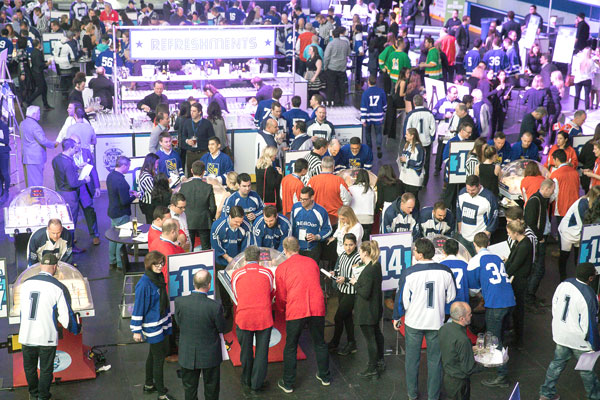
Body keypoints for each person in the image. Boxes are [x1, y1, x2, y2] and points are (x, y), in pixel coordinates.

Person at [393, 238, 457, 399]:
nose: (413, 252)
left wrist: (396, 317)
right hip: (436, 322)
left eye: (414, 250)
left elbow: (401, 300)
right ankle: (433, 397)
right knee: (435, 361)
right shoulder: (445, 271)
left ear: (420, 255)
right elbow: (451, 297)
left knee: (412, 360)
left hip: (414, 322)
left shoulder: (409, 272)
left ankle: (412, 395)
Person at [18, 252, 81, 400]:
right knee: (46, 370)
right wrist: (76, 329)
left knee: (30, 368)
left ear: (40, 265)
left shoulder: (25, 283)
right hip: (46, 336)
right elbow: (66, 317)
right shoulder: (58, 287)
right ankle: (43, 396)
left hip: (26, 334)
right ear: (55, 267)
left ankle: (33, 395)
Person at [276, 237, 330, 393]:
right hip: (316, 307)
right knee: (320, 342)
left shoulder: (282, 268)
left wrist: (280, 309)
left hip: (296, 309)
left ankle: (288, 383)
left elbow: (281, 295)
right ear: (298, 247)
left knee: (291, 346)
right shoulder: (312, 262)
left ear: (284, 250)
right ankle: (325, 376)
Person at [539, 263, 600, 400]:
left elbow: (555, 304)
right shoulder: (590, 296)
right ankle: (594, 397)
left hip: (561, 335)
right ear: (590, 278)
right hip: (580, 342)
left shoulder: (564, 283)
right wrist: (595, 346)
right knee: (586, 371)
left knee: (556, 364)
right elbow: (589, 325)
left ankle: (546, 394)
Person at [467, 233, 515, 388]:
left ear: (474, 244)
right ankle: (494, 362)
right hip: (509, 300)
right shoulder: (495, 257)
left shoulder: (475, 260)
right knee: (499, 335)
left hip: (495, 303)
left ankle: (502, 376)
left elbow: (473, 289)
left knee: (494, 340)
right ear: (488, 243)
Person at [175, 269, 225, 400]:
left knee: (189, 390)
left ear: (193, 283)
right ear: (209, 285)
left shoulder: (180, 302)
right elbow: (222, 328)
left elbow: (178, 322)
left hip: (187, 354)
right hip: (210, 355)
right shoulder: (215, 306)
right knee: (212, 389)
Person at [130, 251, 174, 400]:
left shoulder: (158, 277)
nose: (159, 266)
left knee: (153, 355)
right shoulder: (144, 284)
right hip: (152, 325)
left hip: (160, 320)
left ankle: (149, 384)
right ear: (149, 264)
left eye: (161, 263)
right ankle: (161, 393)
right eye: (156, 263)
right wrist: (136, 330)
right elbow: (138, 307)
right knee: (159, 358)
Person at [231, 246, 274, 395]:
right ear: (259, 258)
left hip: (244, 318)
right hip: (264, 317)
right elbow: (270, 292)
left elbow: (236, 296)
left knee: (246, 351)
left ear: (244, 258)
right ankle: (257, 383)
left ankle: (246, 380)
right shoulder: (267, 273)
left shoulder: (236, 274)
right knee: (262, 352)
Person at [51, 138, 90, 253]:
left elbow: (63, 173)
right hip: (70, 195)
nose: (76, 150)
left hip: (60, 193)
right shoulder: (68, 163)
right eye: (75, 148)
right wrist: (85, 180)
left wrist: (77, 167)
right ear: (71, 148)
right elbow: (73, 183)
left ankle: (66, 243)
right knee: (71, 222)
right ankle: (71, 247)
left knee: (63, 220)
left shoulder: (56, 159)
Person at [210, 205, 250, 317]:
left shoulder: (245, 227)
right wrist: (227, 258)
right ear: (229, 217)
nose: (238, 224)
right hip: (222, 261)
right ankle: (227, 308)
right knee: (223, 287)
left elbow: (246, 245)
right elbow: (216, 245)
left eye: (240, 222)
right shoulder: (218, 226)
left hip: (238, 261)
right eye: (236, 222)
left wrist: (239, 259)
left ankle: (241, 307)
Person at [439, 301, 482, 400]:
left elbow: (452, 349)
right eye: (469, 314)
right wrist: (487, 364)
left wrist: (469, 349)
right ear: (462, 318)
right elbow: (469, 368)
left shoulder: (444, 328)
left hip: (448, 378)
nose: (471, 315)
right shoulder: (463, 339)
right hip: (460, 383)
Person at [328, 233, 361, 355]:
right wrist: (334, 273)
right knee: (347, 318)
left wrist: (345, 279)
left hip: (351, 292)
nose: (348, 247)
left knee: (338, 317)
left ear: (355, 244)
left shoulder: (358, 258)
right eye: (346, 245)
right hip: (341, 290)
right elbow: (339, 269)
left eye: (351, 245)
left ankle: (335, 342)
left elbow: (357, 277)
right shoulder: (342, 255)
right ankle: (351, 343)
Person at [524, 179, 554, 308]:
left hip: (541, 238)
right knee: (538, 269)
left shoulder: (541, 200)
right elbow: (530, 222)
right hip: (538, 240)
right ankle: (529, 298)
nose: (553, 192)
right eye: (552, 190)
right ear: (546, 189)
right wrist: (540, 237)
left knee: (539, 269)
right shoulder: (535, 201)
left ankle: (531, 296)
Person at [505, 220, 534, 349]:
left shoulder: (524, 245)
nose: (509, 235)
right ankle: (516, 333)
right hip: (517, 279)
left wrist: (504, 273)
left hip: (520, 281)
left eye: (510, 233)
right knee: (516, 309)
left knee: (518, 310)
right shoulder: (521, 242)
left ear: (516, 233)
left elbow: (515, 264)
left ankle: (518, 339)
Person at [106, 156, 138, 270]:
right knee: (122, 238)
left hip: (113, 212)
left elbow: (116, 192)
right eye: (128, 166)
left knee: (113, 238)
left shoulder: (111, 176)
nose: (129, 169)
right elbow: (124, 201)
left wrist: (127, 192)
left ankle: (112, 261)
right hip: (121, 213)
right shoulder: (121, 181)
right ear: (123, 166)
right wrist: (134, 196)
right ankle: (121, 263)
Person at [456, 175, 498, 256]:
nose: (470, 192)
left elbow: (494, 219)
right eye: (468, 189)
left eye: (473, 190)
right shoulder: (462, 193)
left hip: (479, 241)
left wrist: (484, 237)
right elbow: (459, 212)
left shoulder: (489, 198)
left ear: (479, 186)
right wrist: (460, 231)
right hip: (463, 237)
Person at [179, 160, 216, 251]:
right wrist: (209, 216)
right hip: (204, 220)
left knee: (188, 248)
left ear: (191, 171)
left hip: (188, 219)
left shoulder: (184, 186)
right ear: (204, 172)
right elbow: (213, 207)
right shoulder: (208, 187)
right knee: (206, 249)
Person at [290, 186, 332, 261]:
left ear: (312, 197)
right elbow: (291, 226)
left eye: (305, 199)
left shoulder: (321, 211)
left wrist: (317, 237)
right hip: (297, 248)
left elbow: (328, 229)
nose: (302, 201)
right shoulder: (295, 207)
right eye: (301, 198)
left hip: (313, 249)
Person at [308, 155, 351, 225]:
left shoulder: (312, 181)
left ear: (321, 166)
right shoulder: (339, 180)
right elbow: (348, 199)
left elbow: (307, 199)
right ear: (333, 167)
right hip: (335, 218)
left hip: (316, 217)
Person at [403, 94, 436, 185]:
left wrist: (407, 141)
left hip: (414, 143)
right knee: (426, 162)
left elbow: (406, 129)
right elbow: (433, 129)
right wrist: (431, 139)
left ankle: (414, 180)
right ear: (423, 102)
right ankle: (424, 182)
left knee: (413, 160)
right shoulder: (429, 114)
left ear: (414, 103)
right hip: (426, 142)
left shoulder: (411, 114)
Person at [21, 105, 57, 187]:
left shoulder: (23, 123)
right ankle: (36, 199)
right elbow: (43, 140)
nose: (40, 115)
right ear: (33, 114)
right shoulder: (35, 126)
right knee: (37, 182)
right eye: (38, 113)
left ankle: (32, 198)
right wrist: (53, 144)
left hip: (27, 157)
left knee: (30, 181)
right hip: (35, 158)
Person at [181, 102, 215, 176]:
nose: (191, 113)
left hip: (203, 153)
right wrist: (187, 141)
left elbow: (212, 138)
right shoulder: (187, 123)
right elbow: (183, 136)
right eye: (191, 111)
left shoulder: (207, 123)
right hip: (190, 153)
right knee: (190, 175)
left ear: (199, 112)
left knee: (205, 174)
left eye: (194, 111)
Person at [398, 127, 425, 209]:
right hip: (404, 177)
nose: (405, 136)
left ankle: (416, 215)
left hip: (413, 179)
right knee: (404, 197)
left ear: (412, 136)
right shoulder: (407, 145)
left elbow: (419, 163)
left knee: (413, 199)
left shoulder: (419, 148)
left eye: (407, 134)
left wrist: (407, 160)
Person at [323, 27, 350, 106]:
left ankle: (330, 101)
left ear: (333, 35)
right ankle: (341, 101)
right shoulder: (345, 43)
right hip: (342, 68)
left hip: (332, 67)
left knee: (331, 86)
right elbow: (348, 53)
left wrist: (325, 67)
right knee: (341, 86)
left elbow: (326, 57)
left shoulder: (330, 44)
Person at [349, 169, 376, 239]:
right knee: (366, 241)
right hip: (368, 219)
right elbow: (374, 205)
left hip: (354, 218)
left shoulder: (351, 188)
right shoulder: (371, 190)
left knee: (354, 240)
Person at [28, 39, 52, 110]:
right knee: (41, 89)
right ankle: (29, 100)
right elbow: (39, 64)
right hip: (38, 73)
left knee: (44, 88)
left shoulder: (33, 52)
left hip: (35, 72)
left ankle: (46, 104)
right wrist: (46, 64)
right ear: (38, 44)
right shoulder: (38, 53)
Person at [137, 153, 160, 223]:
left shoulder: (148, 173)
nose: (157, 165)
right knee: (151, 223)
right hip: (149, 206)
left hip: (150, 204)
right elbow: (153, 191)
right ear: (151, 163)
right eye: (156, 163)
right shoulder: (146, 176)